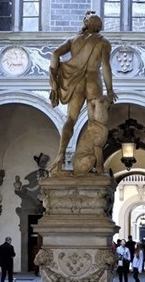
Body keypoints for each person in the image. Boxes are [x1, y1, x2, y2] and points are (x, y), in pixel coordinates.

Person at [48, 11, 117, 172]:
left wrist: (54, 82)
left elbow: (55, 54)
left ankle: (60, 155)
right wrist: (110, 89)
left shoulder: (73, 40)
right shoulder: (103, 42)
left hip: (75, 82)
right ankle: (99, 166)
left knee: (70, 119)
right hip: (93, 82)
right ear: (98, 26)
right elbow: (106, 66)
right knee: (96, 124)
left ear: (85, 24)